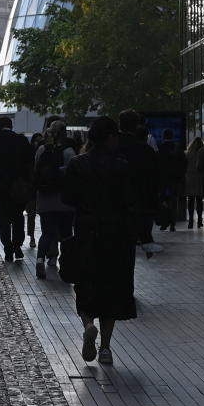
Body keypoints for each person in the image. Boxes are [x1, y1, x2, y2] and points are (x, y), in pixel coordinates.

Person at [61, 116, 137, 365]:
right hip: (116, 234)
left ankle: (87, 325)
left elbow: (68, 198)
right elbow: (129, 201)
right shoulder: (123, 166)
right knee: (112, 289)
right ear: (110, 138)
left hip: (86, 230)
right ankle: (105, 347)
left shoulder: (77, 164)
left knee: (85, 284)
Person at [0, 116, 35, 262]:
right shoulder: (21, 140)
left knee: (3, 218)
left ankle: (8, 249)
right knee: (17, 216)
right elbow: (30, 159)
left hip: (0, 185)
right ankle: (17, 246)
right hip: (18, 185)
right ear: (11, 126)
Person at [33, 119, 77, 279]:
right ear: (64, 133)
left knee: (46, 233)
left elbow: (36, 170)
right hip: (64, 200)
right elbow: (73, 173)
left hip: (45, 198)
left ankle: (39, 260)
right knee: (66, 234)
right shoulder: (69, 151)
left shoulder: (42, 149)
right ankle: (66, 264)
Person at [117, 110, 160, 256]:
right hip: (138, 207)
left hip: (112, 210)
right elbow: (152, 182)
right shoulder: (146, 151)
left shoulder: (111, 148)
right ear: (136, 126)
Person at [157, 129, 187, 232]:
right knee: (174, 201)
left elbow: (158, 165)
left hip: (163, 179)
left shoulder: (160, 148)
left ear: (163, 136)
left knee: (163, 200)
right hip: (175, 179)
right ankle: (173, 223)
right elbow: (184, 163)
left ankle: (165, 222)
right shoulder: (177, 148)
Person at [184, 136, 204, 228]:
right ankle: (199, 220)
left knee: (191, 200)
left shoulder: (188, 154)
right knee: (199, 201)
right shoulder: (202, 153)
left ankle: (191, 220)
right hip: (199, 179)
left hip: (190, 178)